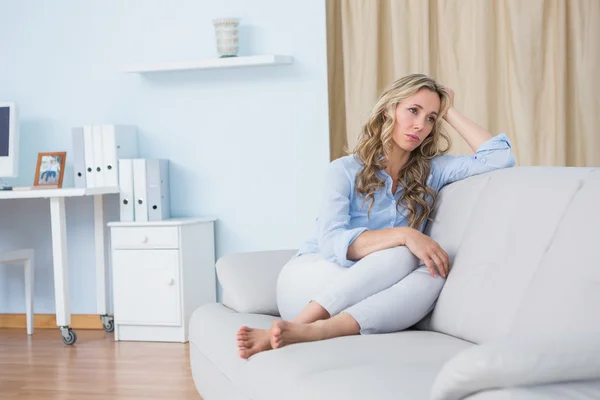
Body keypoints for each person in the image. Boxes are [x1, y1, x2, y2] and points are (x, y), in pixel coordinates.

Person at [236, 73, 516, 359]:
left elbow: (499, 158)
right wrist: (405, 234)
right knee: (403, 252)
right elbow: (332, 244)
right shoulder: (343, 170)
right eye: (413, 110)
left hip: (368, 292)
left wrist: (450, 111)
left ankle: (320, 331)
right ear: (388, 110)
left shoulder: (433, 171)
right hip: (311, 282)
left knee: (435, 272)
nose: (420, 125)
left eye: (431, 118)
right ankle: (299, 322)